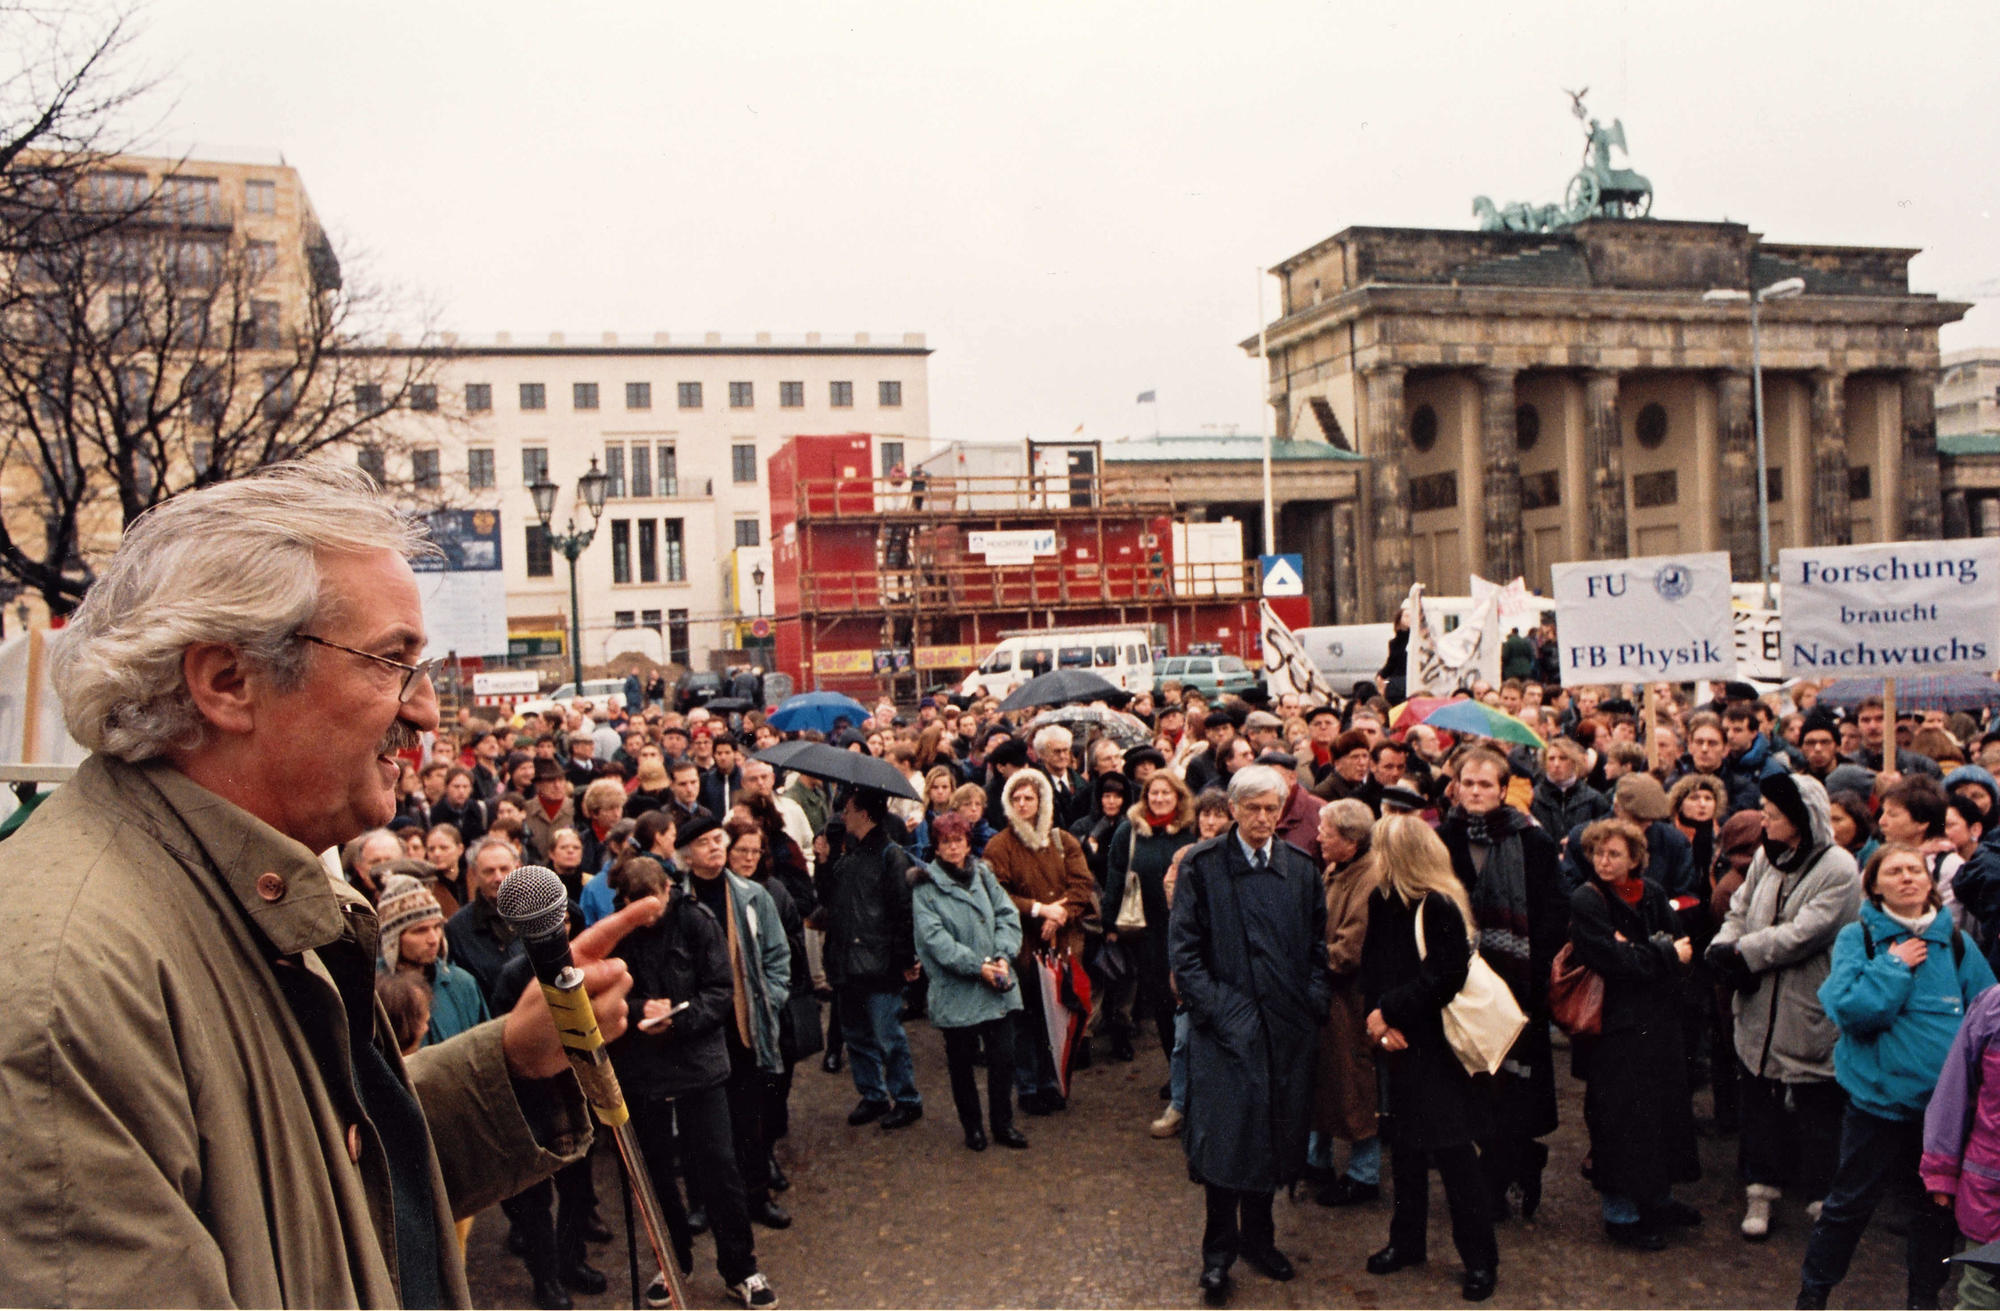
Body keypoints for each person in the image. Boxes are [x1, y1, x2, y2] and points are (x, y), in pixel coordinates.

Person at [0, 462, 653, 1307]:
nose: (425, 711)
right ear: (227, 681)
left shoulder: (238, 883)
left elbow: (320, 1180)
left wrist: (512, 1062)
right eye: (390, 662)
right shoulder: (66, 989)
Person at [1795, 843, 1994, 1309]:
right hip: (1877, 1107)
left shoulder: (1957, 943)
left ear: (1929, 882)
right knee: (1848, 1207)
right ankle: (1813, 1296)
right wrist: (1893, 965)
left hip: (1939, 1118)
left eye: (1915, 870)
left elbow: (1988, 1017)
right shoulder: (1859, 938)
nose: (1907, 878)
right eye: (1895, 871)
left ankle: (1922, 1301)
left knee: (1933, 1213)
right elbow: (1852, 1012)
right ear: (1874, 886)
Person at [1170, 766, 1334, 1306]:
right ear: (1234, 809)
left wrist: (1309, 1003)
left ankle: (1260, 1242)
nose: (1263, 819)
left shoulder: (1300, 868)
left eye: (1272, 809)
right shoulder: (1202, 866)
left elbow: (1318, 948)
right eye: (1254, 809)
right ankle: (1217, 1254)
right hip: (1225, 1029)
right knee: (1225, 1141)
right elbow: (1185, 952)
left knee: (1272, 1136)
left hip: (1285, 1029)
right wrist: (1221, 1012)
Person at [605, 855, 778, 1310]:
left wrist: (679, 1019)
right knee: (655, 1173)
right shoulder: (618, 931)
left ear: (668, 889)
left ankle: (740, 1268)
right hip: (644, 1067)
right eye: (637, 908)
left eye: (654, 905)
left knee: (719, 1166)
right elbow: (604, 993)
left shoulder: (697, 921)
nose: (648, 917)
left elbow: (720, 990)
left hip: (698, 1064)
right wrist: (640, 1010)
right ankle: (672, 1260)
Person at [1706, 771, 1863, 1241]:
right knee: (1759, 1102)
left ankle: (1822, 1199)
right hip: (1759, 1004)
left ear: (1801, 818)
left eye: (1773, 815)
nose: (1765, 822)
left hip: (1806, 1002)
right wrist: (1724, 943)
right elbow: (1739, 908)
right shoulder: (1766, 856)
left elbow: (1804, 934)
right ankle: (1760, 1192)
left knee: (1817, 1107)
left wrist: (1741, 952)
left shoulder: (1839, 868)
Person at [1360, 814, 1500, 1303]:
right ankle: (1407, 1242)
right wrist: (1379, 1022)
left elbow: (1445, 978)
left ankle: (1480, 1260)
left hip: (1437, 1048)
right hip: (1399, 1040)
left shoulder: (1438, 903)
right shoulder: (1383, 898)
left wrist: (1387, 1012)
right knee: (1405, 1151)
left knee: (1454, 1154)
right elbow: (1372, 966)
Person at [1438, 747, 1569, 1220]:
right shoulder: (1441, 839)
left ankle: (1498, 1181)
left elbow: (1552, 915)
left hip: (1516, 984)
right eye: (1468, 783)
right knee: (1467, 1086)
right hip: (1458, 985)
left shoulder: (1533, 841)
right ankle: (1503, 1169)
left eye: (1485, 784)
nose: (1475, 792)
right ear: (1455, 787)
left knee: (1511, 1087)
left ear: (1502, 789)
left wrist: (1533, 983)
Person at [1568, 818, 1701, 1250]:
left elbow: (1683, 948)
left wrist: (1644, 952)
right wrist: (1661, 953)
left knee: (1661, 1112)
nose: (1604, 862)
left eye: (1614, 854)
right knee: (1619, 1118)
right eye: (1598, 853)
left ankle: (1658, 1199)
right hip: (1614, 1027)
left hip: (1657, 1023)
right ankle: (1620, 1214)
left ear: (1634, 858)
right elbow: (1611, 958)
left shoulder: (1653, 892)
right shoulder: (1587, 899)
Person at [690, 816, 795, 1231]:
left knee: (750, 1118)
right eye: (705, 842)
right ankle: (704, 1202)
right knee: (702, 1125)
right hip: (699, 1031)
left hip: (744, 1025)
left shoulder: (753, 897)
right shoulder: (678, 899)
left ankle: (757, 1196)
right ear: (687, 853)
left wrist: (769, 1001)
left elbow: (778, 956)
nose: (715, 848)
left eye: (718, 840)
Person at [912, 812, 1030, 1151]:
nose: (953, 848)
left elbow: (1007, 914)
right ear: (936, 847)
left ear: (968, 843)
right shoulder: (925, 886)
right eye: (946, 842)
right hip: (957, 988)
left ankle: (1003, 1124)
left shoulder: (983, 874)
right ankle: (973, 1127)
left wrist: (1003, 955)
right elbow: (935, 940)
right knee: (961, 1062)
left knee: (1003, 1058)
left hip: (997, 982)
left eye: (959, 841)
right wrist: (977, 966)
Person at [984, 768, 1097, 1114]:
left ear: (1041, 800)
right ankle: (1028, 1086)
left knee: (1057, 1016)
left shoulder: (1063, 840)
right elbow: (996, 893)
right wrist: (1037, 909)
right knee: (1025, 1018)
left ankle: (1053, 1082)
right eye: (1016, 798)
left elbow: (1082, 884)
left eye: (1029, 798)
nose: (1022, 804)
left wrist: (1060, 914)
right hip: (1022, 945)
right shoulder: (1000, 845)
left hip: (1062, 943)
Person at [812, 787, 924, 1129]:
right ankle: (873, 1095)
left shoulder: (892, 856)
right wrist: (823, 861)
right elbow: (828, 897)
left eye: (848, 810)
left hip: (879, 963)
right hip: (847, 960)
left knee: (887, 1036)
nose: (842, 816)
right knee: (856, 1034)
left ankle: (906, 1099)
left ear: (864, 814)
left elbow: (903, 912)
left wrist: (906, 960)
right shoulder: (850, 854)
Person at [1310, 798, 1384, 1207]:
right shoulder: (1338, 868)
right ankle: (1316, 1160)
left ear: (1351, 841)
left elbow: (1350, 948)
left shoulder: (1368, 877)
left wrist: (1310, 964)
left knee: (1354, 1083)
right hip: (1330, 994)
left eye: (1327, 831)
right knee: (1325, 1079)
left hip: (1350, 998)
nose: (1319, 836)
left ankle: (1363, 1174)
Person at [1920, 981, 2000, 1310]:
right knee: (1981, 1297)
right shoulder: (1993, 1006)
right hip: (1991, 1194)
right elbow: (1953, 1089)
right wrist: (1941, 1171)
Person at [377, 872, 490, 1045]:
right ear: (393, 939)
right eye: (420, 930)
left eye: (437, 927)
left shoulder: (462, 984)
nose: (433, 939)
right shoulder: (375, 992)